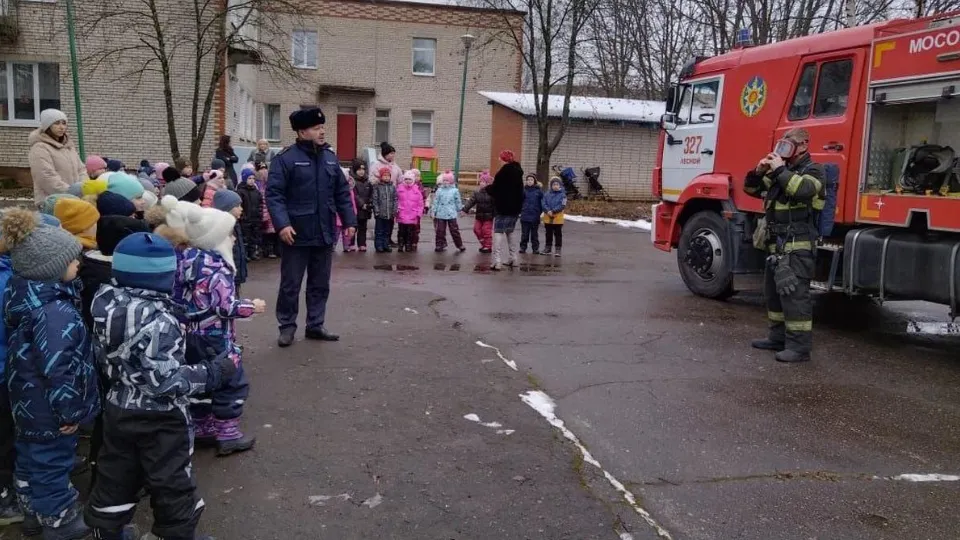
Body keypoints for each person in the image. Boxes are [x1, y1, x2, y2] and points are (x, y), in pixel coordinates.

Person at [84, 232, 235, 540]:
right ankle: (177, 534)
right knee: (171, 480)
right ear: (163, 277)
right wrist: (214, 371)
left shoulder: (104, 302)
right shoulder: (160, 320)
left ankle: (108, 531)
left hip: (118, 405)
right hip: (160, 417)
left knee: (116, 473)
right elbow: (164, 381)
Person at [2, 208, 99, 539]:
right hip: (50, 410)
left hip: (26, 405)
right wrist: (70, 412)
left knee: (29, 460)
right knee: (52, 465)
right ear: (51, 270)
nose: (78, 263)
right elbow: (59, 368)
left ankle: (32, 514)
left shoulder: (22, 296)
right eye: (72, 260)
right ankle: (60, 521)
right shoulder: (55, 312)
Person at [169, 203, 265, 455]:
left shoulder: (186, 261)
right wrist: (251, 307)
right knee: (230, 381)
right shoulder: (217, 269)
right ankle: (228, 434)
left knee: (201, 379)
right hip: (215, 336)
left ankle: (202, 426)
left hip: (190, 334)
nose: (234, 238)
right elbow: (225, 307)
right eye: (230, 234)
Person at [266, 107, 356, 348]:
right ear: (302, 131)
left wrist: (349, 221)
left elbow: (341, 193)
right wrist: (282, 224)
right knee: (290, 285)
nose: (322, 131)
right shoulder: (285, 159)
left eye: (322, 127)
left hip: (324, 231)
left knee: (320, 284)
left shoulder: (330, 157)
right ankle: (287, 327)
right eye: (317, 128)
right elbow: (274, 195)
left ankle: (315, 325)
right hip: (295, 234)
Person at [744, 127, 824, 363]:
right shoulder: (781, 172)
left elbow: (802, 190)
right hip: (776, 244)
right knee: (774, 295)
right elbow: (750, 189)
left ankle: (799, 348)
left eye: (790, 144)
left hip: (797, 244)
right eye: (782, 144)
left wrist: (779, 169)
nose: (784, 149)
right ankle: (777, 338)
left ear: (804, 145)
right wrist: (758, 172)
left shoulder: (814, 171)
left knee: (795, 296)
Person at [28, 109, 88, 206]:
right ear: (47, 126)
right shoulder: (40, 148)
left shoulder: (68, 147)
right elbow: (45, 176)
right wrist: (69, 192)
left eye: (64, 123)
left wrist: (82, 187)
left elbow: (81, 169)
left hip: (74, 200)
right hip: (51, 202)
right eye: (56, 123)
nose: (61, 127)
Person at [488, 149, 524, 270]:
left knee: (498, 231)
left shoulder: (502, 173)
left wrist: (487, 188)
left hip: (502, 207)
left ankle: (496, 260)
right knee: (510, 231)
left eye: (500, 159)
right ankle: (513, 258)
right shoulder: (518, 172)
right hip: (515, 208)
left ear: (504, 160)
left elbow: (495, 189)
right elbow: (521, 192)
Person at [213, 188, 248, 290]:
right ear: (226, 208)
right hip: (226, 276)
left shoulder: (235, 224)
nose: (241, 209)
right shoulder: (221, 228)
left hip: (236, 273)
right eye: (237, 206)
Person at [430, 171, 465, 253]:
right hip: (440, 214)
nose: (445, 182)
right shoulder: (439, 190)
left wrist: (460, 210)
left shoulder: (455, 191)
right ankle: (439, 245)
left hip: (451, 214)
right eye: (444, 180)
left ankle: (459, 244)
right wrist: (433, 211)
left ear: (451, 181)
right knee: (440, 231)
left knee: (454, 230)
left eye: (447, 180)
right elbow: (436, 201)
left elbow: (458, 201)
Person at [463, 171, 495, 254]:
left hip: (489, 216)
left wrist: (497, 214)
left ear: (488, 183)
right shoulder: (477, 192)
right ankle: (484, 243)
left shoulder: (492, 193)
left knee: (486, 231)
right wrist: (464, 210)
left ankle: (488, 246)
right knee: (476, 229)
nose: (481, 183)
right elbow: (471, 201)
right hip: (479, 216)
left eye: (483, 182)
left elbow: (496, 204)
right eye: (480, 182)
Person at [238, 168, 264, 260]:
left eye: (253, 178)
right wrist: (243, 216)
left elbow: (260, 204)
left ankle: (252, 252)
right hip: (246, 219)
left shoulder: (256, 192)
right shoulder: (241, 192)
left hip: (255, 218)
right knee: (246, 237)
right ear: (245, 179)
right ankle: (245, 254)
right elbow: (239, 206)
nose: (252, 180)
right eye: (249, 178)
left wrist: (260, 214)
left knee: (254, 237)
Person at [396, 170, 424, 253]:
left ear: (413, 180)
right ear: (403, 179)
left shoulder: (417, 190)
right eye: (406, 179)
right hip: (402, 214)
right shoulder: (399, 189)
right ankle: (401, 244)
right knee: (401, 231)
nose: (408, 181)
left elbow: (420, 203)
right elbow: (396, 200)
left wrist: (418, 213)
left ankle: (408, 244)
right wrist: (396, 210)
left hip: (412, 215)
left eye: (410, 179)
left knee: (410, 232)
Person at [371, 166, 398, 253]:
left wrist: (394, 210)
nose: (386, 177)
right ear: (381, 177)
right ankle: (379, 245)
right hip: (380, 214)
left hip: (389, 213)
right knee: (379, 231)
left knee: (387, 231)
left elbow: (395, 199)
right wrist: (377, 211)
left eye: (388, 175)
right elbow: (375, 199)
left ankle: (386, 244)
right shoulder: (377, 187)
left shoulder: (392, 187)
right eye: (384, 175)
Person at [351, 158, 373, 253]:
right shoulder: (352, 181)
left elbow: (371, 194)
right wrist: (362, 204)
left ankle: (362, 244)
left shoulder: (368, 181)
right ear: (355, 170)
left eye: (363, 169)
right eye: (359, 170)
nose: (361, 172)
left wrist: (369, 203)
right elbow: (354, 195)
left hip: (365, 210)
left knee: (363, 228)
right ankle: (351, 244)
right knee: (353, 227)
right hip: (355, 209)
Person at [542, 177, 567, 257]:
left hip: (557, 218)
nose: (555, 186)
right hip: (548, 217)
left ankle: (558, 249)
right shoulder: (547, 194)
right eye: (554, 184)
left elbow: (562, 205)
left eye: (557, 184)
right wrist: (547, 210)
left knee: (558, 234)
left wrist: (553, 211)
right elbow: (543, 203)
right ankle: (548, 248)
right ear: (551, 186)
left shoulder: (563, 195)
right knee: (548, 234)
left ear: (560, 185)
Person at [520, 174, 544, 254]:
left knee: (534, 235)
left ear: (534, 181)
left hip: (535, 216)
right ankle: (523, 247)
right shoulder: (523, 191)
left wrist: (540, 212)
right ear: (526, 181)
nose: (529, 181)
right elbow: (519, 202)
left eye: (531, 180)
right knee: (524, 234)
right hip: (525, 216)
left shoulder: (538, 191)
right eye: (528, 180)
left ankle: (535, 248)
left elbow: (542, 203)